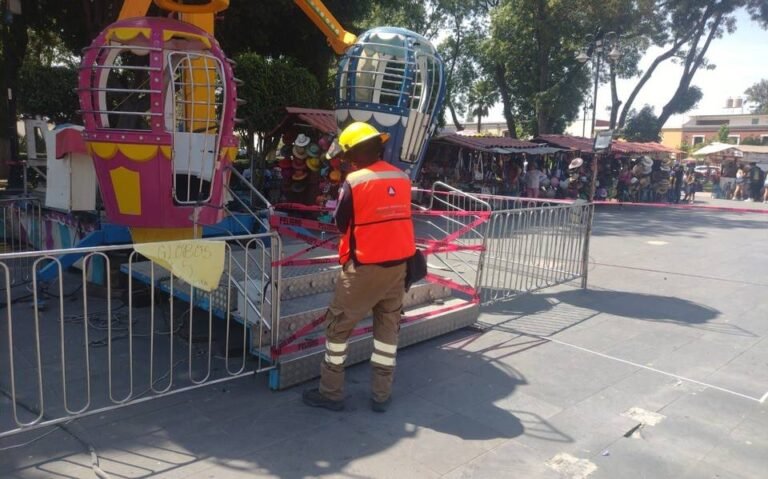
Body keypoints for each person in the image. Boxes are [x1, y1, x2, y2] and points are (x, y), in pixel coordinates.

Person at [302, 122, 415, 413]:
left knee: (338, 330)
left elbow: (340, 222)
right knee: (387, 332)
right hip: (398, 267)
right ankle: (381, 394)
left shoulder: (355, 181)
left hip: (364, 267)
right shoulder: (401, 177)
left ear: (353, 153)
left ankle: (331, 392)